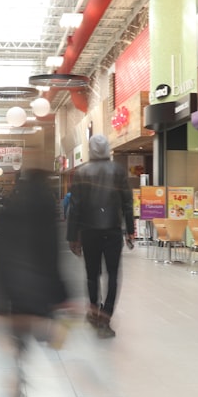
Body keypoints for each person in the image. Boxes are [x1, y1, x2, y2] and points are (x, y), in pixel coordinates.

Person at [0, 166, 68, 397]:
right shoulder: (17, 214)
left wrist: (62, 303)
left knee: (18, 386)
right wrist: (1, 314)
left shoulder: (44, 212)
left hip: (39, 311)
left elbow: (53, 260)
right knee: (11, 387)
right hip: (16, 312)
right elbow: (2, 259)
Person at [66, 134, 134, 338]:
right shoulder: (118, 171)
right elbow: (127, 203)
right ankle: (106, 316)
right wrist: (130, 230)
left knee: (92, 274)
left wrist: (72, 236)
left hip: (89, 231)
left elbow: (75, 206)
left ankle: (93, 311)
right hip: (112, 230)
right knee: (113, 274)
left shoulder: (82, 172)